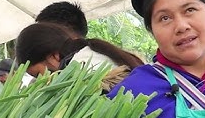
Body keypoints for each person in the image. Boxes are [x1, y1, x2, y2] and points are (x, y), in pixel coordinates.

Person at [15, 22, 143, 78]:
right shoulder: (96, 52)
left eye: (38, 75)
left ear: (54, 56)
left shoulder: (77, 74)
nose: (39, 82)